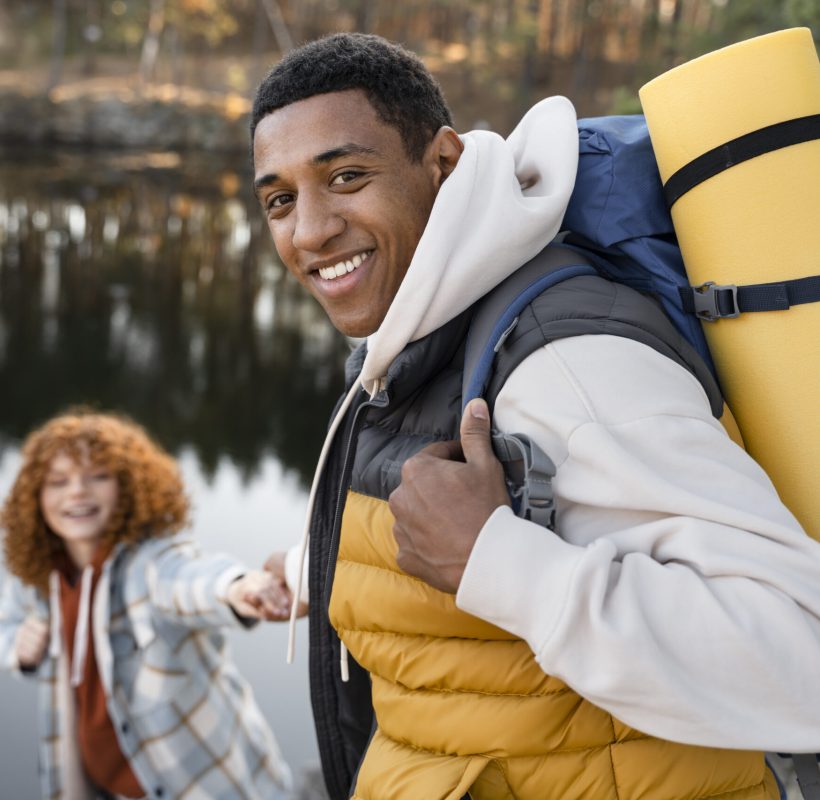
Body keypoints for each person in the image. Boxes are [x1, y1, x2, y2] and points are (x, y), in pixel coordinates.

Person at [252, 32, 820, 800]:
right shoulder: (425, 325)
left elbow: (800, 659)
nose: (310, 230)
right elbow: (444, 536)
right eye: (280, 200)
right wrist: (307, 566)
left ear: (443, 165)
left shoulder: (566, 361)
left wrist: (497, 563)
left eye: (347, 176)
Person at [0, 410, 293, 800]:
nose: (76, 492)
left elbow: (188, 580)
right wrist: (19, 649)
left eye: (98, 477)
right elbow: (8, 625)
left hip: (208, 785)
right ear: (35, 497)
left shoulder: (147, 563)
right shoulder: (36, 576)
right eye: (57, 482)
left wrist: (236, 588)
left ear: (130, 486)